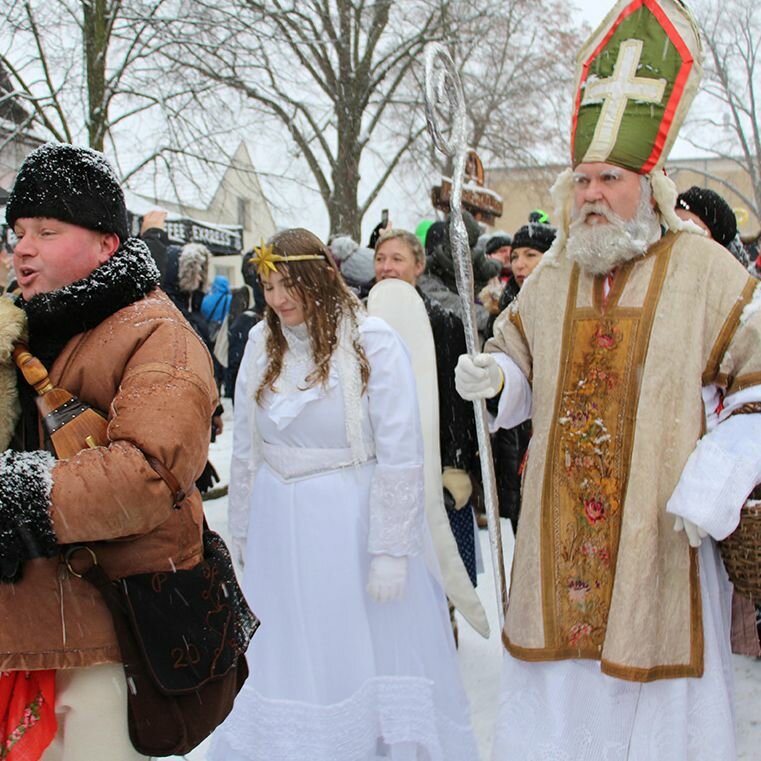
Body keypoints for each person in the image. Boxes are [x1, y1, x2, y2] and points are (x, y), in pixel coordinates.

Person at [456, 2, 761, 758]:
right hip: (555, 543)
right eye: (582, 179)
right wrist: (493, 374)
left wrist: (713, 483)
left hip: (661, 534)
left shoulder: (704, 270)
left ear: (648, 186)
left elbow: (756, 387)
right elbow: (521, 359)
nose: (591, 193)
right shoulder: (554, 273)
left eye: (609, 178)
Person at [209, 228, 478, 761]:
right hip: (276, 527)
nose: (278, 299)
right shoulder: (265, 342)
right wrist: (241, 528)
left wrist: (390, 551)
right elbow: (247, 444)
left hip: (346, 524)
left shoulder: (370, 340)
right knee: (284, 654)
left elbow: (401, 450)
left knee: (348, 650)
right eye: (267, 287)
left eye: (288, 285)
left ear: (319, 278)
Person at [0, 142, 218, 760]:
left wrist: (22, 497)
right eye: (18, 230)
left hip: (104, 637)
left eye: (47, 229)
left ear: (106, 244)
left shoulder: (157, 334)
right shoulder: (17, 329)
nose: (23, 246)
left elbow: (147, 472)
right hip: (21, 631)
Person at [373, 228, 488, 640]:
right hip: (380, 464)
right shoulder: (360, 323)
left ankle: (443, 622)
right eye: (381, 258)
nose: (387, 267)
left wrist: (457, 464)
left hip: (436, 462)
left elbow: (459, 403)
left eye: (397, 259)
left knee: (440, 560)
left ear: (418, 267)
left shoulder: (445, 324)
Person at [485, 223, 556, 532]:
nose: (519, 264)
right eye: (514, 256)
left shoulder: (560, 307)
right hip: (513, 436)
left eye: (531, 254)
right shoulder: (505, 310)